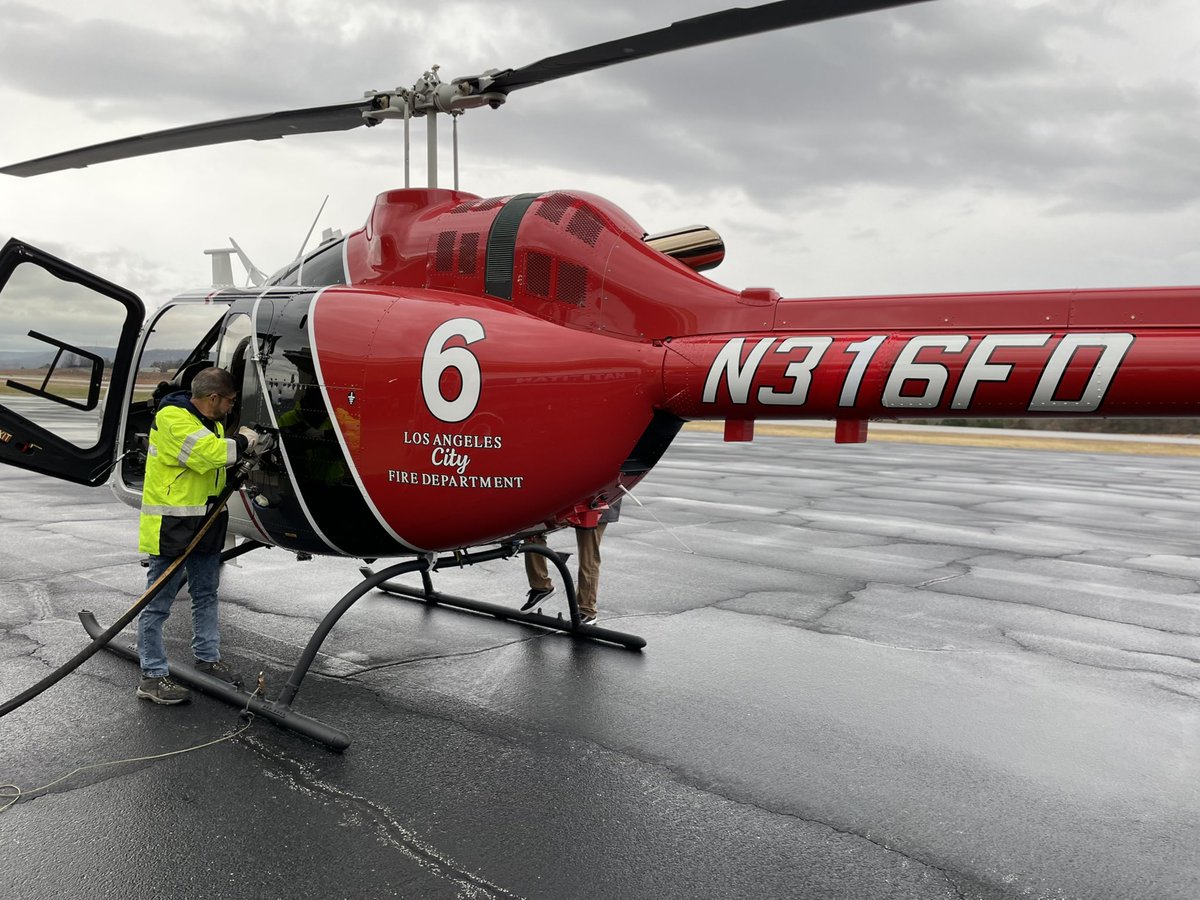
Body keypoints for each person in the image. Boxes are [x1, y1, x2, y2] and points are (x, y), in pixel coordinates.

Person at [135, 367, 259, 705]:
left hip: (206, 523)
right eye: (231, 400)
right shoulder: (173, 418)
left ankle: (207, 657)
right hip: (173, 527)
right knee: (157, 604)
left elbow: (212, 465)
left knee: (206, 594)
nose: (232, 407)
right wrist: (246, 440)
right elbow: (209, 455)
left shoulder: (213, 424)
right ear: (214, 398)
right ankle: (152, 677)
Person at [522, 499, 621, 625]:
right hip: (564, 497)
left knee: (588, 552)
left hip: (597, 499)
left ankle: (587, 609)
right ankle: (540, 586)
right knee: (532, 530)